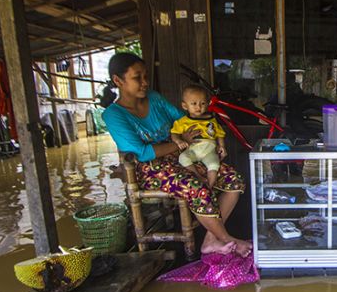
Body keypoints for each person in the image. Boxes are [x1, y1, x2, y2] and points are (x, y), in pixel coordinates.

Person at [100, 53, 251, 257]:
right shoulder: (113, 114)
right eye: (138, 78)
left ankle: (210, 239)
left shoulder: (154, 98)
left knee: (234, 179)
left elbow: (186, 120)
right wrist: (182, 142)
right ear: (118, 80)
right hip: (149, 169)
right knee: (197, 187)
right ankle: (227, 239)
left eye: (146, 76)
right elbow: (143, 153)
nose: (145, 83)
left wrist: (206, 141)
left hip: (181, 155)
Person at [170, 85, 226, 189]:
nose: (199, 107)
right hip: (192, 150)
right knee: (183, 158)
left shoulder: (211, 120)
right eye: (194, 104)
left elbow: (220, 134)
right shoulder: (182, 122)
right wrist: (178, 141)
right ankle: (198, 176)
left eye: (203, 103)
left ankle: (210, 185)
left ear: (208, 104)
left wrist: (222, 146)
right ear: (185, 106)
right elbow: (174, 133)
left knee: (214, 164)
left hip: (209, 151)